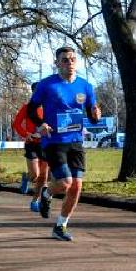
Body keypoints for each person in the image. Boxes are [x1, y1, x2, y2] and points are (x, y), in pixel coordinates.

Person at [26, 46, 102, 242]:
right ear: (57, 63)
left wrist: (95, 115)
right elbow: (32, 109)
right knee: (65, 183)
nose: (70, 63)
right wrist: (41, 124)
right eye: (65, 60)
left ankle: (60, 225)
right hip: (54, 141)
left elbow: (92, 114)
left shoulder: (85, 86)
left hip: (76, 141)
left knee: (77, 186)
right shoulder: (47, 85)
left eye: (73, 59)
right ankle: (47, 192)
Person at [12, 82, 49, 212]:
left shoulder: (47, 107)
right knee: (35, 174)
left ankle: (35, 201)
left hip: (45, 144)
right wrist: (25, 134)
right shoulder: (27, 107)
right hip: (31, 143)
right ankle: (27, 177)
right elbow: (16, 124)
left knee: (44, 176)